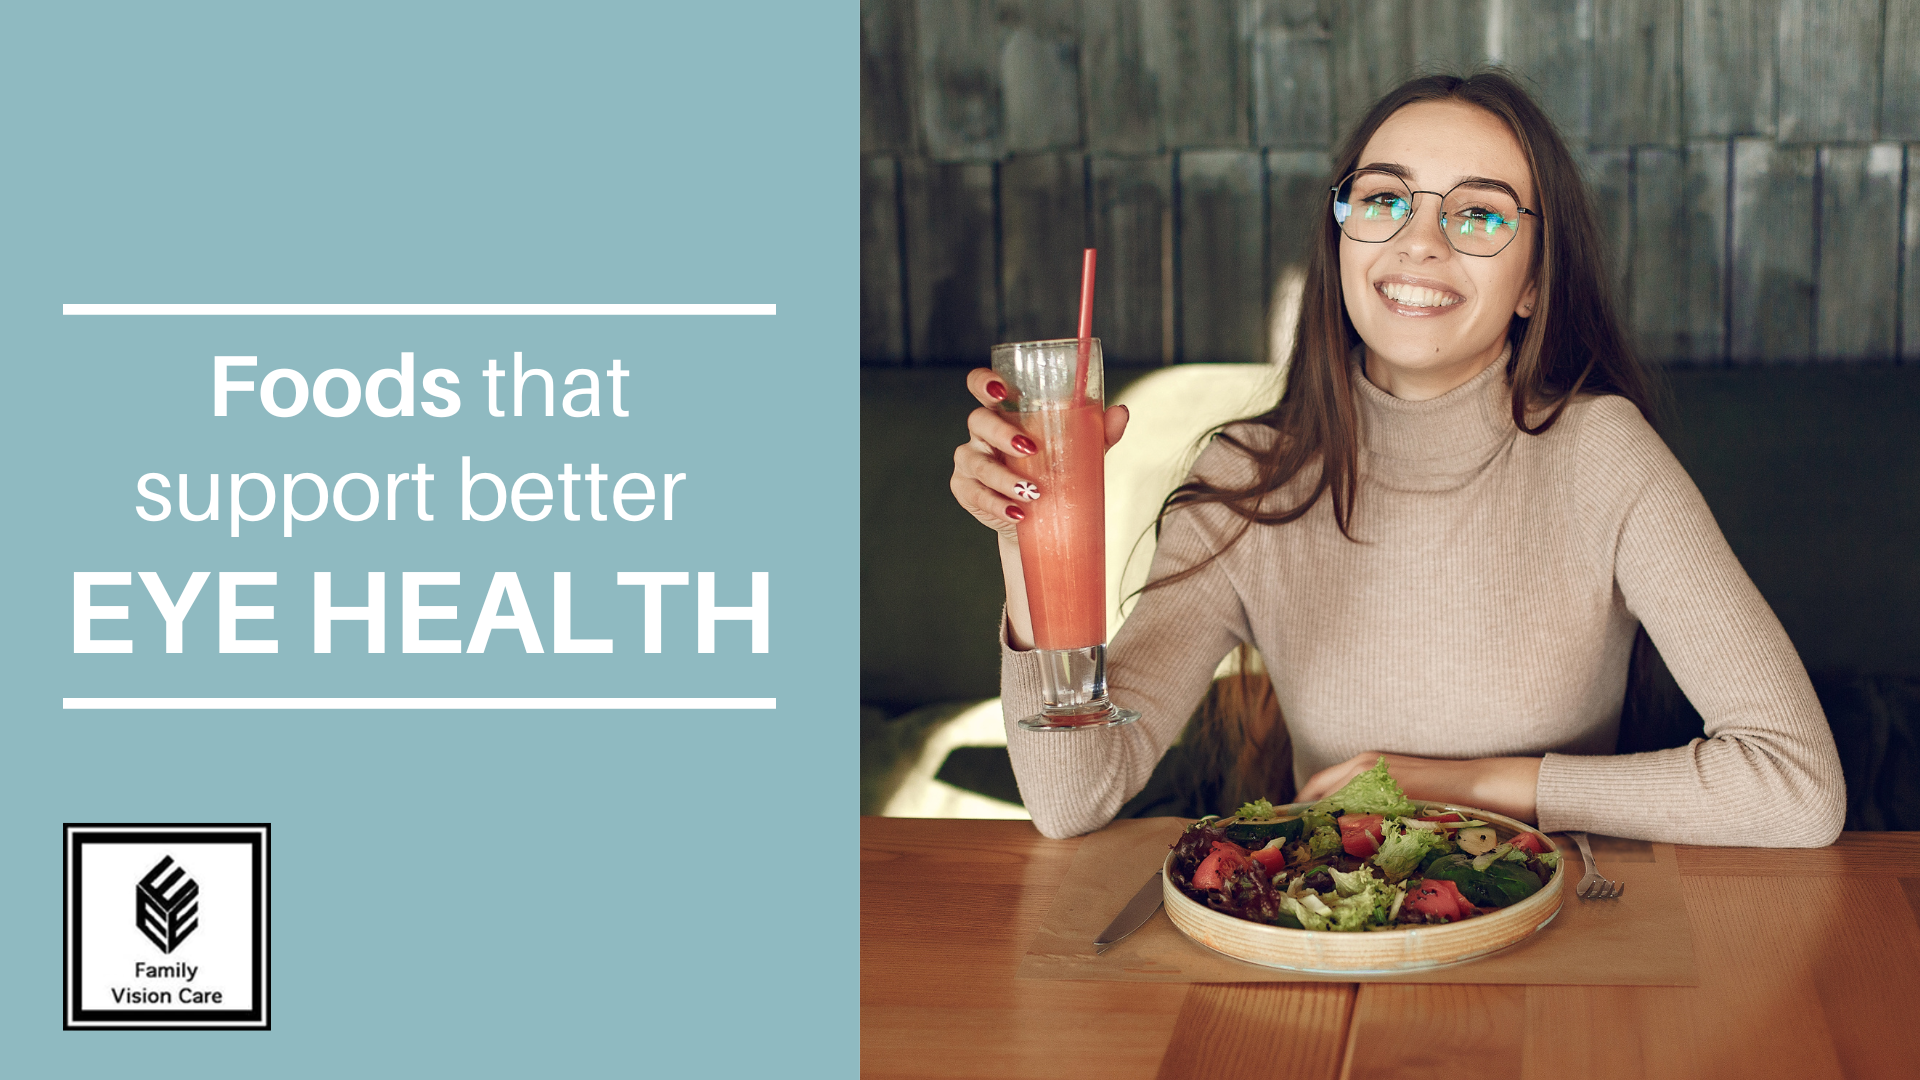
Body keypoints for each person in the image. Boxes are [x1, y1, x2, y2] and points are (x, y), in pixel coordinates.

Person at [947, 72, 1845, 846]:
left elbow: (1798, 787)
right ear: (1343, 239)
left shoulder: (1603, 454)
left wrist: (1466, 783)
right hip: (1329, 955)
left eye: (1480, 213)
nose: (1421, 240)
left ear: (1534, 280)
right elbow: (1072, 799)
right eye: (1384, 199)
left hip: (1560, 958)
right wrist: (1022, 528)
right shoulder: (1245, 482)